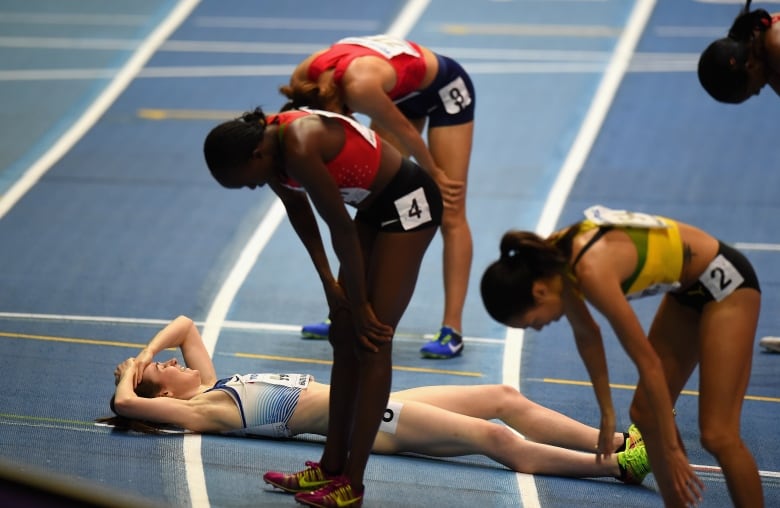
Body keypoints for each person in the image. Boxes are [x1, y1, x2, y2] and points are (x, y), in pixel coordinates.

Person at [101, 315, 651, 497]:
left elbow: (186, 326)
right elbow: (128, 405)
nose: (173, 361)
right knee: (496, 439)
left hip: (374, 402)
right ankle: (614, 468)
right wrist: (130, 379)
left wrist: (145, 354)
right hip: (375, 423)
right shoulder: (202, 412)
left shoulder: (212, 388)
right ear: (162, 395)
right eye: (163, 370)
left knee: (500, 397)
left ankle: (618, 443)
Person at [203, 105, 441, 507]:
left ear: (255, 157)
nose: (250, 189)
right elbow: (301, 213)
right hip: (372, 208)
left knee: (372, 339)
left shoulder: (297, 144)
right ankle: (331, 467)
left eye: (245, 183)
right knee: (342, 333)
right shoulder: (271, 152)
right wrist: (331, 286)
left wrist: (361, 304)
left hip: (409, 205)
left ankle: (353, 484)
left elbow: (340, 228)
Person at [480, 205, 764, 508]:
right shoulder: (553, 266)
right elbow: (588, 337)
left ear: (538, 293)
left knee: (717, 434)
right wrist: (606, 413)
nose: (538, 327)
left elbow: (649, 363)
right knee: (644, 415)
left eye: (532, 322)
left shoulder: (590, 270)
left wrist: (671, 447)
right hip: (687, 291)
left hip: (728, 285)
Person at [280, 34, 475, 359]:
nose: (349, 123)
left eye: (345, 117)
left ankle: (452, 330)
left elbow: (406, 131)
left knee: (451, 208)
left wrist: (435, 174)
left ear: (339, 103)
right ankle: (348, 312)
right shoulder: (303, 77)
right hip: (395, 94)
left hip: (443, 91)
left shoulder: (359, 89)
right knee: (375, 199)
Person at [698, 0, 780, 103]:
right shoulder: (758, 37)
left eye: (752, 91)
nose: (758, 92)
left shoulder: (775, 47)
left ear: (750, 66)